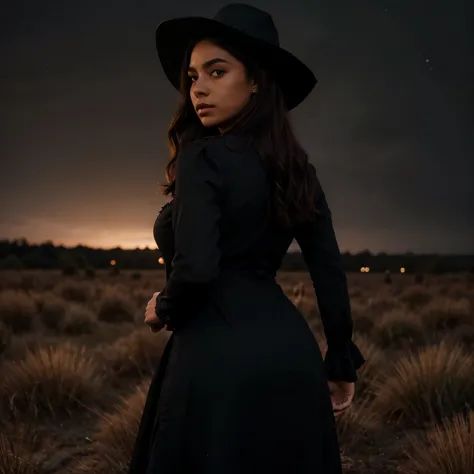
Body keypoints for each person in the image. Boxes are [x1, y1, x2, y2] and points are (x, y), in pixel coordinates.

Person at [128, 3, 366, 473]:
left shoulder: (202, 159)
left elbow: (196, 269)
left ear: (256, 79)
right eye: (193, 75)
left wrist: (164, 306)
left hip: (213, 363)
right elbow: (329, 271)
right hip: (290, 358)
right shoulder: (298, 170)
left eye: (217, 71)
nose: (199, 88)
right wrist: (339, 362)